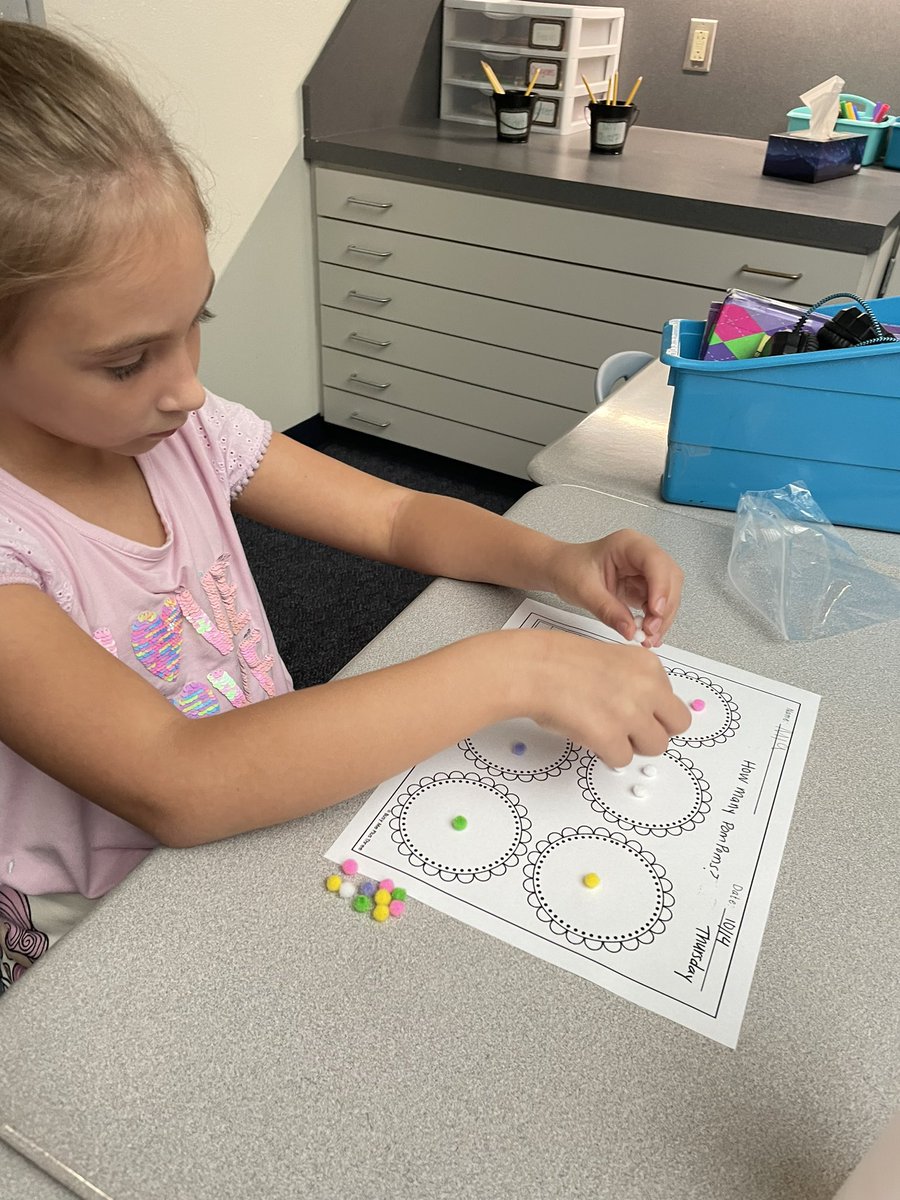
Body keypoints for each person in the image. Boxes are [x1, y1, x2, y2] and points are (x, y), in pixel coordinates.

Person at [0, 20, 690, 991]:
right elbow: (176, 780)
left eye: (194, 323)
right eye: (126, 361)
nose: (187, 386)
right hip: (102, 922)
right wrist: (515, 666)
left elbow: (396, 520)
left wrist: (553, 560)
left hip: (264, 794)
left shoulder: (182, 431)